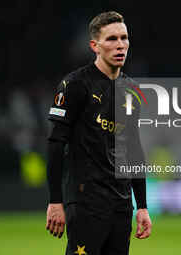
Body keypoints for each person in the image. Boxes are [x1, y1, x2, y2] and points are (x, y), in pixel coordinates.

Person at [46, 11, 152, 255]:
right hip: (86, 201)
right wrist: (55, 201)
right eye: (112, 39)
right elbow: (55, 143)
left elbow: (134, 148)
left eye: (124, 38)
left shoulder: (132, 91)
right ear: (95, 46)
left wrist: (142, 206)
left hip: (121, 203)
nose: (120, 45)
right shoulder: (75, 85)